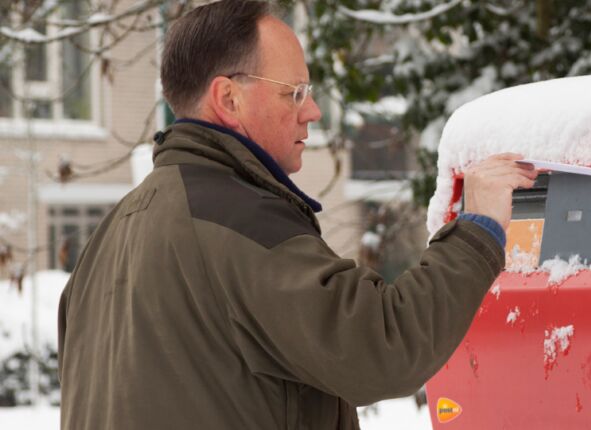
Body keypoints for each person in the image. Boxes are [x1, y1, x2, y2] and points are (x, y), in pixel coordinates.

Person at [56, 1, 537, 428]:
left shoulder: (108, 239)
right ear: (229, 99)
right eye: (296, 92)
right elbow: (384, 346)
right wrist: (480, 229)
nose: (313, 112)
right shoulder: (236, 220)